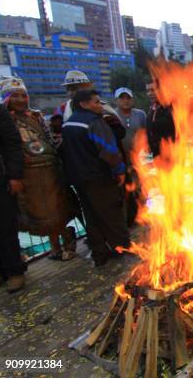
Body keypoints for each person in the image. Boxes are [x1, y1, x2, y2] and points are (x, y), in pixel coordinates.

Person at [1, 77, 77, 262]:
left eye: (23, 95)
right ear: (6, 98)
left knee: (57, 208)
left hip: (50, 171)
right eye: (15, 95)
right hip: (26, 176)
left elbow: (48, 139)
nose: (20, 99)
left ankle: (66, 239)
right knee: (37, 213)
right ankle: (54, 247)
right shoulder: (3, 119)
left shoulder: (36, 116)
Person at [61, 89, 131, 267]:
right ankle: (121, 248)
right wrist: (120, 170)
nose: (100, 105)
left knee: (91, 216)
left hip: (80, 180)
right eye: (97, 102)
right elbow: (109, 151)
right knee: (112, 213)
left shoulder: (68, 124)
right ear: (84, 104)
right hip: (100, 178)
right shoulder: (94, 122)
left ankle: (99, 253)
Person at [0, 85, 26, 293]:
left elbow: (13, 144)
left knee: (5, 227)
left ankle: (14, 271)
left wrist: (15, 176)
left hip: (0, 180)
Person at [115, 87, 146, 227]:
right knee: (125, 191)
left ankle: (144, 216)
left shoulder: (140, 115)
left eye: (128, 98)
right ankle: (128, 219)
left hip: (140, 157)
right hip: (121, 159)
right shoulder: (112, 116)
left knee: (142, 188)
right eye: (122, 98)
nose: (125, 101)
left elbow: (146, 132)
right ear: (117, 100)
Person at [146, 79, 175, 157]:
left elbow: (168, 125)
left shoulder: (169, 106)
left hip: (171, 153)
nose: (150, 93)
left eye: (153, 90)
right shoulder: (152, 108)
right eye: (148, 91)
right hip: (156, 154)